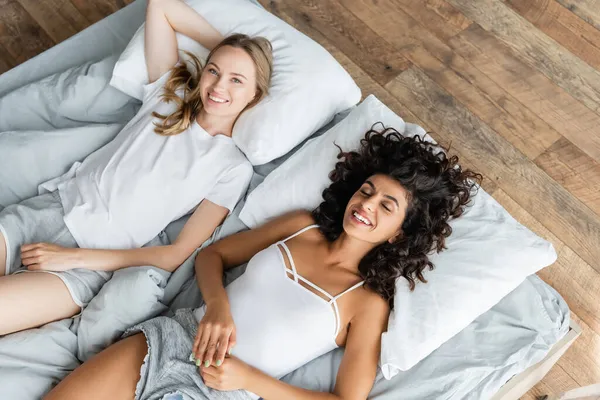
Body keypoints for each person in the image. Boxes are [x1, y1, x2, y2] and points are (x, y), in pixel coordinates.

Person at [45, 129, 481, 400]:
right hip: (174, 341)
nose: (367, 205)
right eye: (366, 191)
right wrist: (216, 306)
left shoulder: (367, 304)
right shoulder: (301, 227)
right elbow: (214, 255)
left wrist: (248, 379)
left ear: (399, 233)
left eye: (387, 206)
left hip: (228, 394)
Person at [0, 0, 273, 335]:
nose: (219, 87)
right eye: (214, 70)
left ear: (256, 95)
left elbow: (175, 255)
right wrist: (230, 48)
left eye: (237, 80)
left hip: (83, 267)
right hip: (46, 214)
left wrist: (71, 258)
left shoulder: (233, 167)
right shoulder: (168, 95)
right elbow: (161, 6)